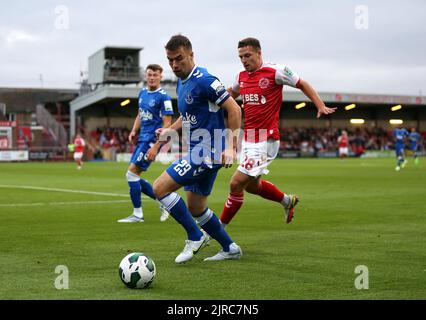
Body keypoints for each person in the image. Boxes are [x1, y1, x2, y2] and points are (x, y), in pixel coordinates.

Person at [220, 37, 336, 227]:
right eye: (241, 57)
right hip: (249, 139)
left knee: (235, 184)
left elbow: (302, 83)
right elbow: (231, 94)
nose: (244, 60)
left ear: (259, 53)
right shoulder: (241, 76)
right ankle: (287, 201)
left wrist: (320, 105)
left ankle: (214, 231)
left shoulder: (276, 71)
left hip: (267, 139)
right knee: (251, 186)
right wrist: (213, 98)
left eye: (247, 55)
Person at [153, 34, 243, 263]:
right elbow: (186, 117)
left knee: (159, 188)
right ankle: (230, 248)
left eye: (179, 58)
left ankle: (195, 236)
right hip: (195, 149)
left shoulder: (205, 79)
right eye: (170, 60)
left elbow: (234, 109)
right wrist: (168, 132)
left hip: (208, 151)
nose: (174, 64)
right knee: (195, 207)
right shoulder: (182, 83)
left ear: (191, 55)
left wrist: (232, 148)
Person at [118, 64, 174, 223]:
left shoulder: (164, 97)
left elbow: (167, 124)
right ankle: (163, 202)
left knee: (131, 174)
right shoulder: (142, 93)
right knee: (133, 175)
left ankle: (138, 214)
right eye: (149, 74)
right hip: (142, 138)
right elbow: (140, 114)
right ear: (145, 76)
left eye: (155, 75)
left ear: (160, 77)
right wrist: (134, 130)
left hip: (151, 141)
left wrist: (157, 146)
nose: (152, 77)